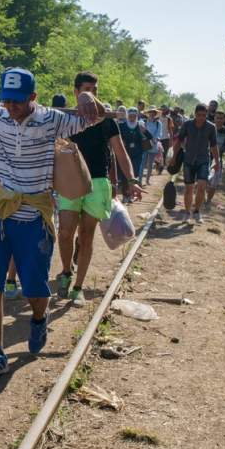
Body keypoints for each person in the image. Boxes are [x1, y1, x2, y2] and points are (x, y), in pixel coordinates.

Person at [0, 67, 102, 381]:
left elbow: (91, 118)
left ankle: (38, 317)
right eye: (6, 99)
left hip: (34, 216)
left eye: (17, 101)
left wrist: (86, 96)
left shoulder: (52, 120)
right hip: (1, 211)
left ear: (32, 97)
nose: (11, 106)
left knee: (35, 290)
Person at [56, 71, 146, 304]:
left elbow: (120, 152)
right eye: (87, 90)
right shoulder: (65, 117)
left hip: (98, 182)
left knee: (86, 236)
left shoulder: (107, 119)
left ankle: (78, 287)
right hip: (70, 181)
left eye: (95, 90)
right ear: (76, 93)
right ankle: (66, 272)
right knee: (65, 231)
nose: (92, 95)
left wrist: (132, 181)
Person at [170, 103, 220, 224]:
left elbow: (214, 145)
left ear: (207, 114)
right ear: (195, 114)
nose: (201, 118)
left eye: (204, 115)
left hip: (204, 160)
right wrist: (174, 156)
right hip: (189, 159)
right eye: (199, 115)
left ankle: (197, 212)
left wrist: (217, 161)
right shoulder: (187, 125)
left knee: (202, 186)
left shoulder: (210, 127)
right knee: (189, 188)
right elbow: (179, 140)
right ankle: (187, 213)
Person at [117, 108, 152, 203]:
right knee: (125, 174)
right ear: (127, 116)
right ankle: (125, 195)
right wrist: (121, 140)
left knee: (134, 173)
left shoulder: (140, 125)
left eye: (134, 117)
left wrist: (144, 131)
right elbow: (117, 136)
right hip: (125, 152)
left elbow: (150, 136)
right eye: (130, 116)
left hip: (137, 153)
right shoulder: (122, 125)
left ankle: (131, 195)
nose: (132, 118)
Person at [205, 110, 225, 208]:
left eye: (221, 118)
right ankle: (201, 199)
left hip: (217, 160)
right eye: (217, 118)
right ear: (214, 118)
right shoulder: (208, 128)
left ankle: (208, 202)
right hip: (204, 158)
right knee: (203, 181)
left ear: (224, 120)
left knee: (214, 183)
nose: (219, 120)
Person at [140, 105, 163, 185]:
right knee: (142, 163)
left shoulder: (158, 123)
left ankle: (147, 180)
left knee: (150, 164)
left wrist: (155, 140)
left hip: (154, 145)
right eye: (150, 111)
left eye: (153, 112)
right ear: (148, 113)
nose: (152, 113)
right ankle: (140, 180)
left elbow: (159, 134)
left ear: (155, 113)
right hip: (145, 144)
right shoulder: (144, 121)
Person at [157, 104, 175, 172]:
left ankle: (161, 168)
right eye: (162, 109)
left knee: (164, 154)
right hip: (158, 138)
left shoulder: (169, 119)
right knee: (157, 153)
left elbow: (170, 130)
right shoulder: (158, 118)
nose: (163, 110)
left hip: (166, 138)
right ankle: (158, 164)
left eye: (164, 109)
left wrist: (171, 140)